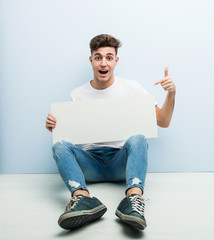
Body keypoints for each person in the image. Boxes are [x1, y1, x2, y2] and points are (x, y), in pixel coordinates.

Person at [45, 34, 176, 231]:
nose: (103, 63)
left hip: (120, 162)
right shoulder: (77, 95)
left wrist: (171, 94)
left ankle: (133, 200)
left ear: (116, 60)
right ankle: (83, 199)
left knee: (138, 138)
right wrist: (54, 126)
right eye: (98, 57)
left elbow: (163, 122)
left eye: (109, 57)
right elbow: (67, 139)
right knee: (59, 146)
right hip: (91, 165)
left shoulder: (132, 88)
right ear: (91, 61)